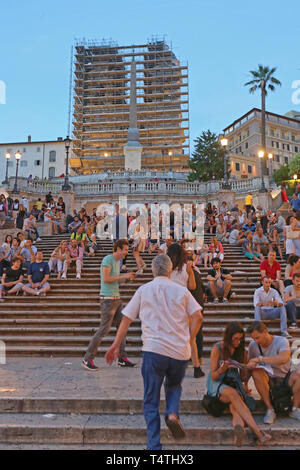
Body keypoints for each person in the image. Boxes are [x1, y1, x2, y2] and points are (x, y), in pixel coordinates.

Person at [105, 254, 203, 450]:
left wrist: (115, 345)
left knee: (151, 400)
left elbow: (126, 319)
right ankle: (172, 413)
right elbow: (198, 316)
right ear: (169, 270)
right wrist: (190, 338)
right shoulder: (181, 290)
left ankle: (154, 446)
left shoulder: (144, 289)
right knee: (174, 387)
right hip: (179, 351)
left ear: (153, 270)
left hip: (154, 350)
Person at [206, 322, 271, 446]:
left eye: (240, 339)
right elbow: (214, 376)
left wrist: (248, 369)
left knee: (235, 407)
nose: (238, 342)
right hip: (217, 384)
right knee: (234, 395)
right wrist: (222, 369)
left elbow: (243, 377)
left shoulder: (241, 351)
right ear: (228, 337)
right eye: (235, 339)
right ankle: (258, 433)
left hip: (234, 383)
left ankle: (238, 430)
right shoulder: (217, 348)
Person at [82, 239, 136, 371]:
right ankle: (87, 359)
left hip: (117, 299)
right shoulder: (108, 259)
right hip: (107, 300)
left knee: (121, 329)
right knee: (104, 330)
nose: (126, 252)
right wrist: (123, 275)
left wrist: (127, 279)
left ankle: (122, 358)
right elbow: (106, 279)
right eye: (125, 249)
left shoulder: (118, 262)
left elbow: (115, 282)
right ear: (118, 249)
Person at [247, 321, 300, 424]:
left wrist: (260, 359)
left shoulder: (282, 341)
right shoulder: (253, 346)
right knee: (256, 372)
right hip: (268, 380)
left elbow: (283, 358)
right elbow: (250, 366)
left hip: (285, 378)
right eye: (253, 338)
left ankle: (294, 409)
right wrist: (245, 384)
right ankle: (270, 409)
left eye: (257, 337)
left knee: (299, 375)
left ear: (265, 332)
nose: (255, 341)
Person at [167, 243, 203, 378]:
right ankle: (197, 368)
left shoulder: (167, 269)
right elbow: (192, 286)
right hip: (183, 303)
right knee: (190, 338)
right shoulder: (187, 267)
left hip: (170, 304)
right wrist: (189, 272)